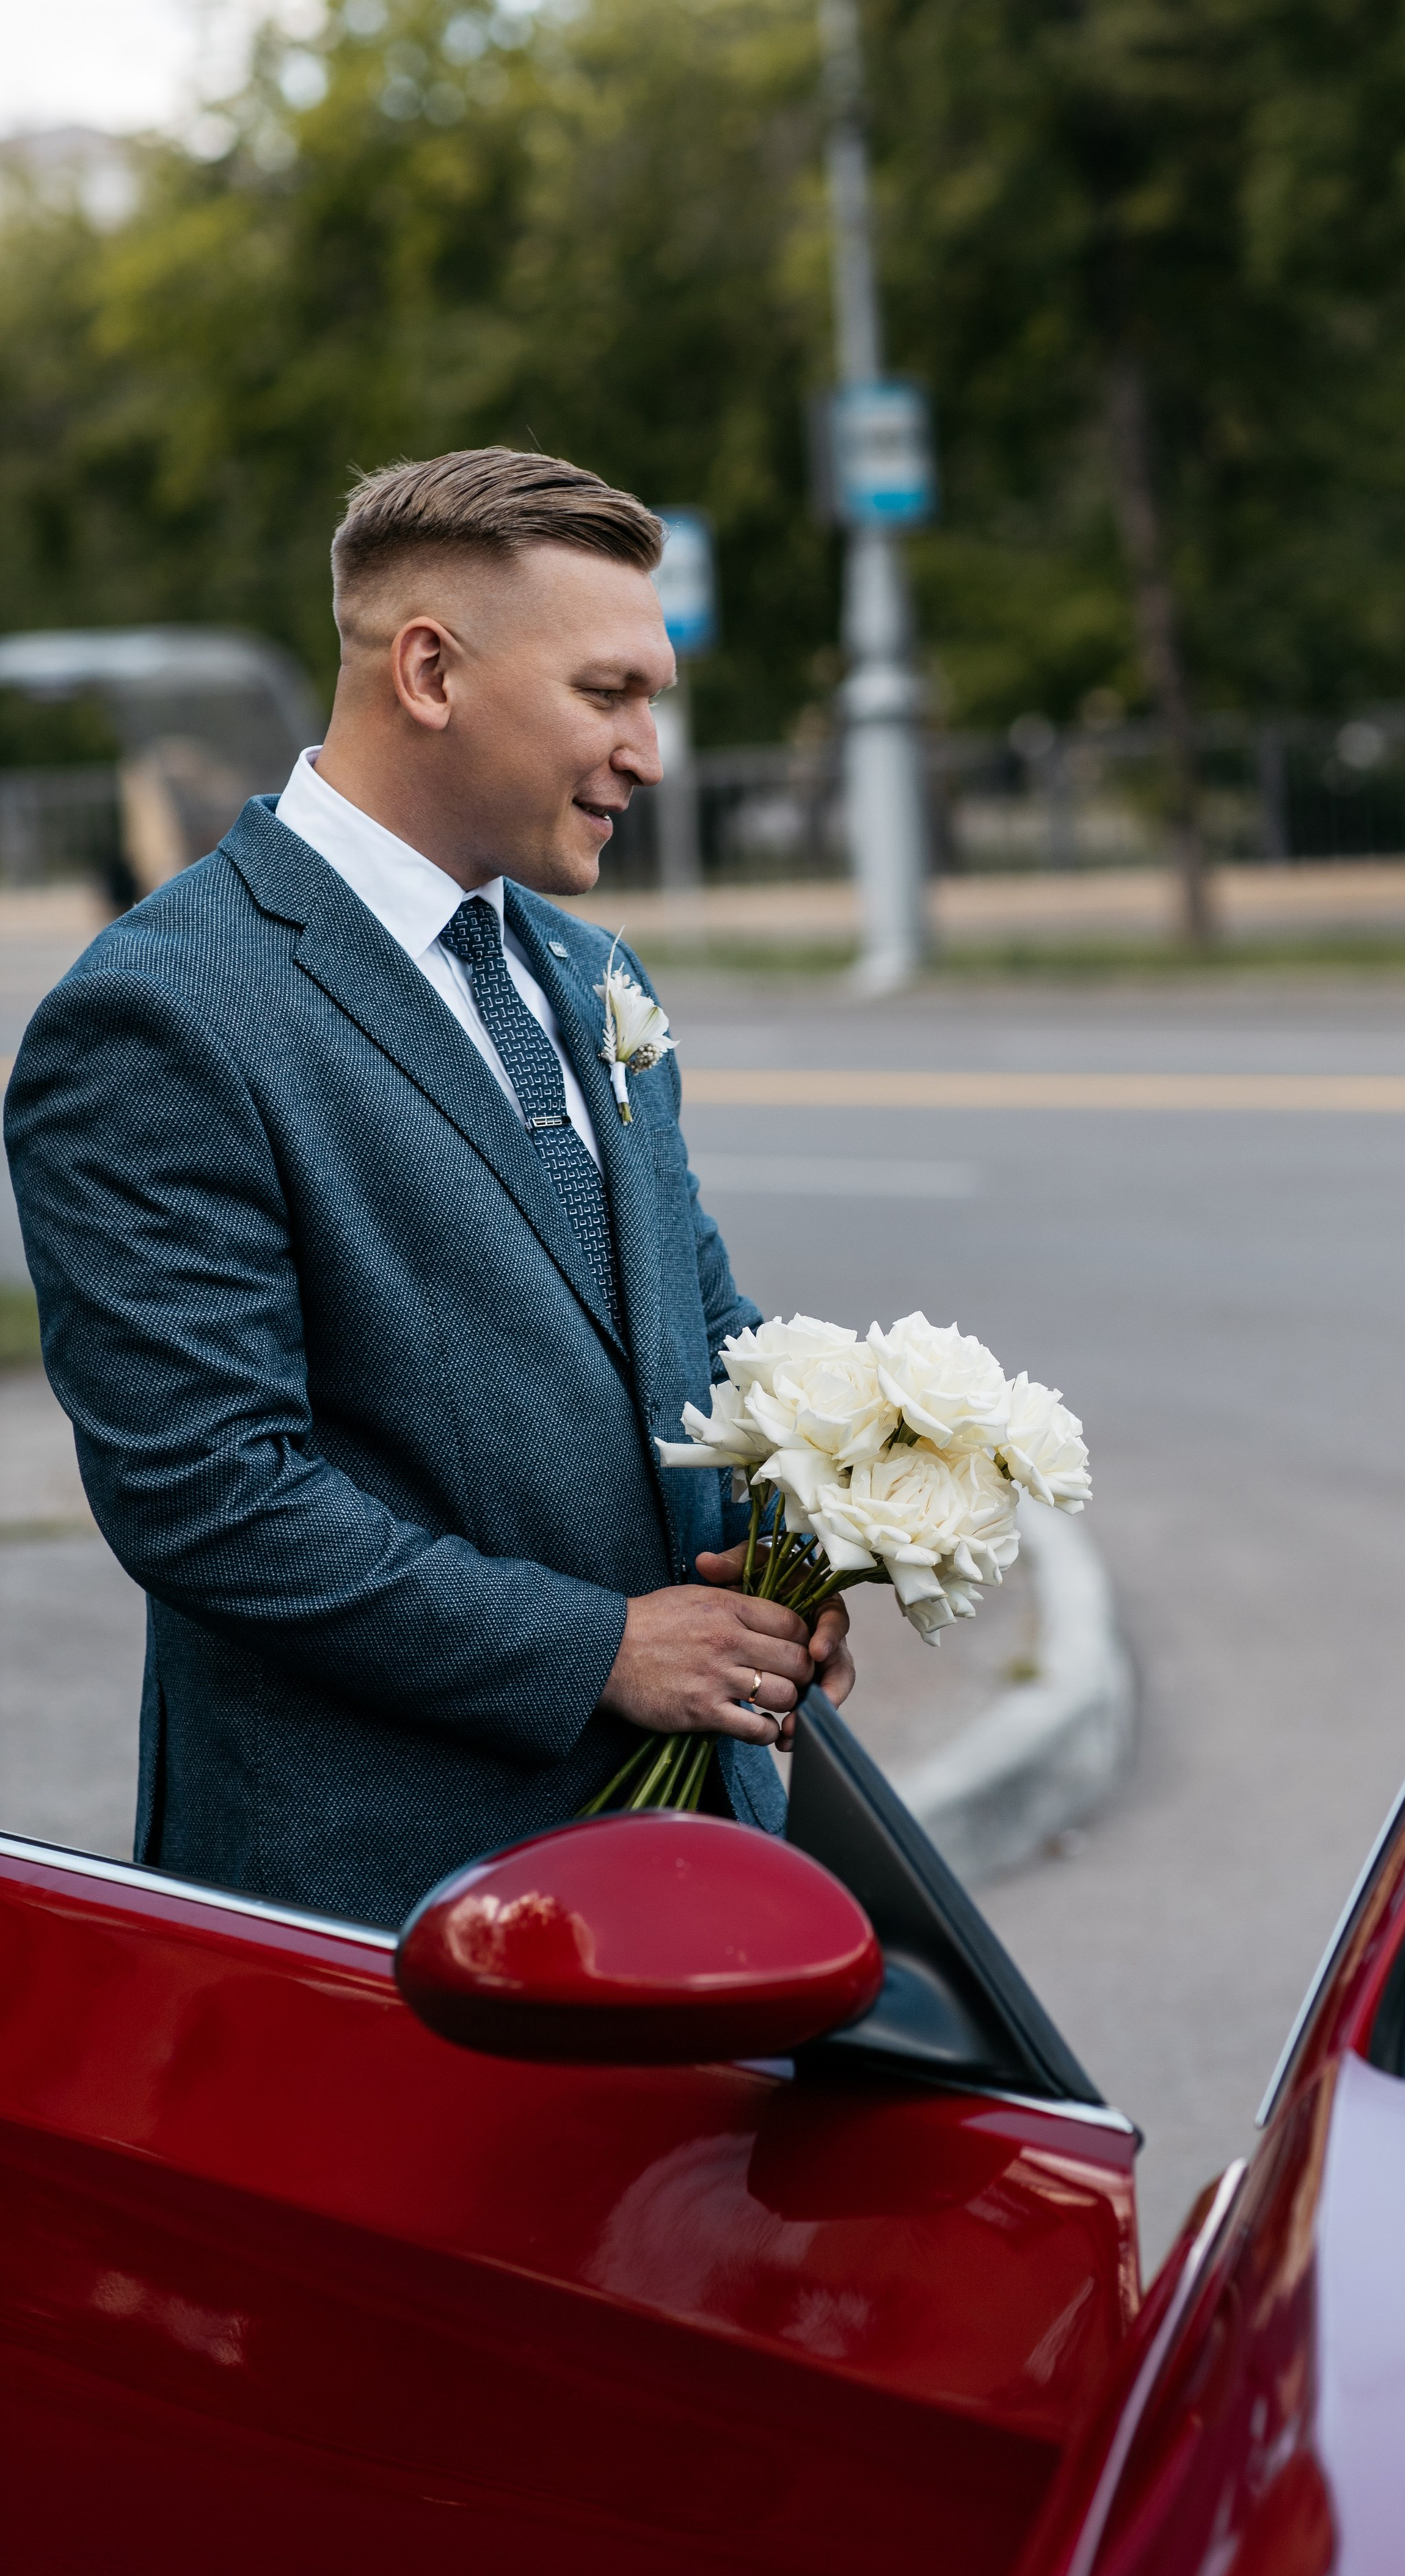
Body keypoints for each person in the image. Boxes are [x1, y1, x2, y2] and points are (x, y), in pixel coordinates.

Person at [4, 447, 853, 1931]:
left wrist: (798, 1546)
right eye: (607, 695)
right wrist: (596, 1649)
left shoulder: (592, 973)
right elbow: (209, 1497)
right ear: (429, 671)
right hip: (382, 1916)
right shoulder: (163, 1016)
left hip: (691, 1879)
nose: (647, 752)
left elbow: (698, 1330)